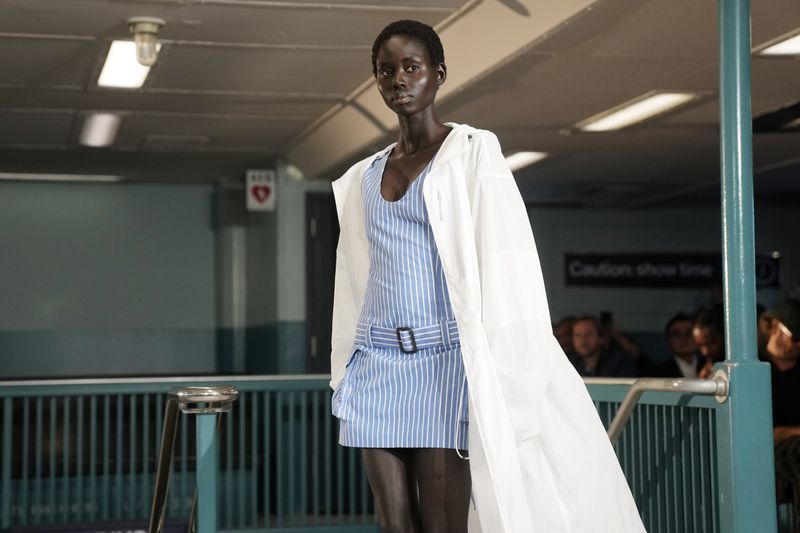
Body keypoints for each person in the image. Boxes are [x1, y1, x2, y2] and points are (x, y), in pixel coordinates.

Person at [329, 20, 645, 532]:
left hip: (444, 362)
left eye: (412, 67)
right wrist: (345, 364)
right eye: (386, 71)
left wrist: (517, 373)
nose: (399, 80)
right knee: (393, 524)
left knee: (442, 523)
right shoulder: (360, 178)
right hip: (376, 361)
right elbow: (356, 277)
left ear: (439, 74)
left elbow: (508, 258)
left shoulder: (471, 154)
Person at [762, 299, 800, 530]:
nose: (799, 345)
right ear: (776, 327)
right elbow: (767, 433)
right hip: (769, 453)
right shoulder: (755, 369)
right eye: (795, 337)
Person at [569, 315, 638, 378]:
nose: (583, 340)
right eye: (578, 335)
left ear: (601, 338)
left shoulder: (619, 362)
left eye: (589, 334)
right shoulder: (569, 363)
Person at [653, 312, 704, 378]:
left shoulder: (711, 367)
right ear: (669, 341)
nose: (684, 339)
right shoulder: (657, 373)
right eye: (676, 334)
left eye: (689, 332)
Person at [692, 304, 726, 379]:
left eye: (711, 343)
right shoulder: (702, 364)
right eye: (700, 345)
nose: (705, 352)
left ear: (724, 336)